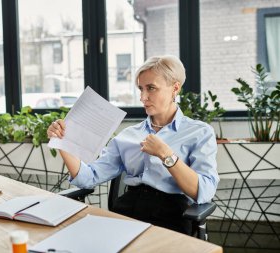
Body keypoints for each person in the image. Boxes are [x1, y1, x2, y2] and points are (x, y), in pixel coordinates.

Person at [47, 55, 219, 235]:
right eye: (141, 89)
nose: (143, 97)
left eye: (151, 88)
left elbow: (204, 192)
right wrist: (62, 142)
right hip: (127, 211)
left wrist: (166, 155)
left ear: (175, 88)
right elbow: (89, 177)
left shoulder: (199, 132)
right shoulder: (128, 135)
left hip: (173, 215)